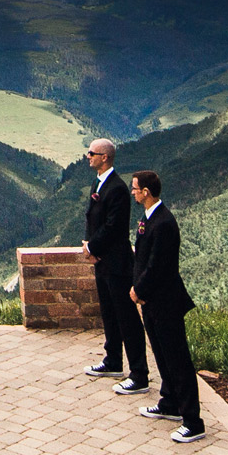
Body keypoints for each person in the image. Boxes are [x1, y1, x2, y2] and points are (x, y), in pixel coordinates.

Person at [128, 170, 202, 442]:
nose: (133, 192)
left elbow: (158, 266)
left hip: (166, 301)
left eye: (135, 188)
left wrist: (138, 290)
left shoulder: (165, 223)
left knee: (177, 359)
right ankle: (169, 402)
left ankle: (193, 421)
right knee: (161, 353)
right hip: (151, 302)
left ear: (146, 192)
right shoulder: (148, 219)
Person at [80, 138, 147, 395]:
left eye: (91, 153)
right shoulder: (99, 182)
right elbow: (92, 217)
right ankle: (113, 361)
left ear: (105, 157)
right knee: (108, 312)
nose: (88, 156)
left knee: (127, 318)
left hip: (117, 262)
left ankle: (139, 373)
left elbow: (113, 226)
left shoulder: (117, 188)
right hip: (102, 261)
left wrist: (93, 248)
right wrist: (90, 246)